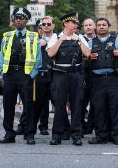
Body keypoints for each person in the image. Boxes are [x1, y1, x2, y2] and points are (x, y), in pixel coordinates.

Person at [0, 7, 42, 144]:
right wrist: (3, 72)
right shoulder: (7, 36)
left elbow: (38, 58)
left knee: (28, 106)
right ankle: (9, 134)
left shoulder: (33, 36)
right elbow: (2, 56)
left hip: (25, 75)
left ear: (26, 21)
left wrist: (31, 75)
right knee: (8, 105)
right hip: (10, 74)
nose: (18, 20)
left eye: (21, 18)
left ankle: (29, 134)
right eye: (16, 18)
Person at [47, 12, 90, 146]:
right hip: (60, 74)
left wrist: (78, 40)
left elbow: (87, 54)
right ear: (66, 23)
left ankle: (76, 135)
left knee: (76, 105)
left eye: (76, 23)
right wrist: (61, 39)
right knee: (59, 106)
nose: (75, 25)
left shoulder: (80, 37)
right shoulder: (56, 37)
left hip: (75, 74)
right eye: (73, 23)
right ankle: (57, 135)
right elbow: (50, 53)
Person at [87, 18, 118, 145]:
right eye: (99, 25)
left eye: (104, 25)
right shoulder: (90, 42)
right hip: (97, 80)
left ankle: (116, 135)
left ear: (108, 26)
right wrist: (88, 57)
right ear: (96, 28)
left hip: (114, 79)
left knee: (116, 108)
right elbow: (83, 57)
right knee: (99, 108)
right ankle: (101, 135)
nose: (101, 27)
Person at [31, 16, 57, 137]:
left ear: (53, 25)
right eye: (43, 24)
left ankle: (62, 130)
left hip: (55, 75)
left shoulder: (58, 38)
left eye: (48, 24)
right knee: (39, 103)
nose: (46, 26)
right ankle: (38, 128)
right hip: (40, 75)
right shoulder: (36, 39)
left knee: (57, 103)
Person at [81, 18, 96, 136]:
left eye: (90, 25)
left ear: (94, 26)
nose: (88, 27)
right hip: (84, 74)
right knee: (82, 102)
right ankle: (81, 126)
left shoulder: (99, 39)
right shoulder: (80, 39)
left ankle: (91, 126)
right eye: (86, 25)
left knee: (95, 103)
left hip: (97, 75)